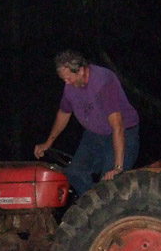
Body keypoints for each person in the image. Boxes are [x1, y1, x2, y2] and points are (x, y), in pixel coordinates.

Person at [34, 50, 140, 196]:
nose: (66, 83)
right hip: (95, 135)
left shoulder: (103, 82)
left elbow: (118, 126)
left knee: (109, 181)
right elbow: (64, 113)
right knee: (75, 173)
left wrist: (118, 167)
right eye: (63, 79)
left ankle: (108, 206)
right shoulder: (70, 86)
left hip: (123, 133)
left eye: (69, 78)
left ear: (81, 70)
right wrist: (48, 143)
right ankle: (94, 205)